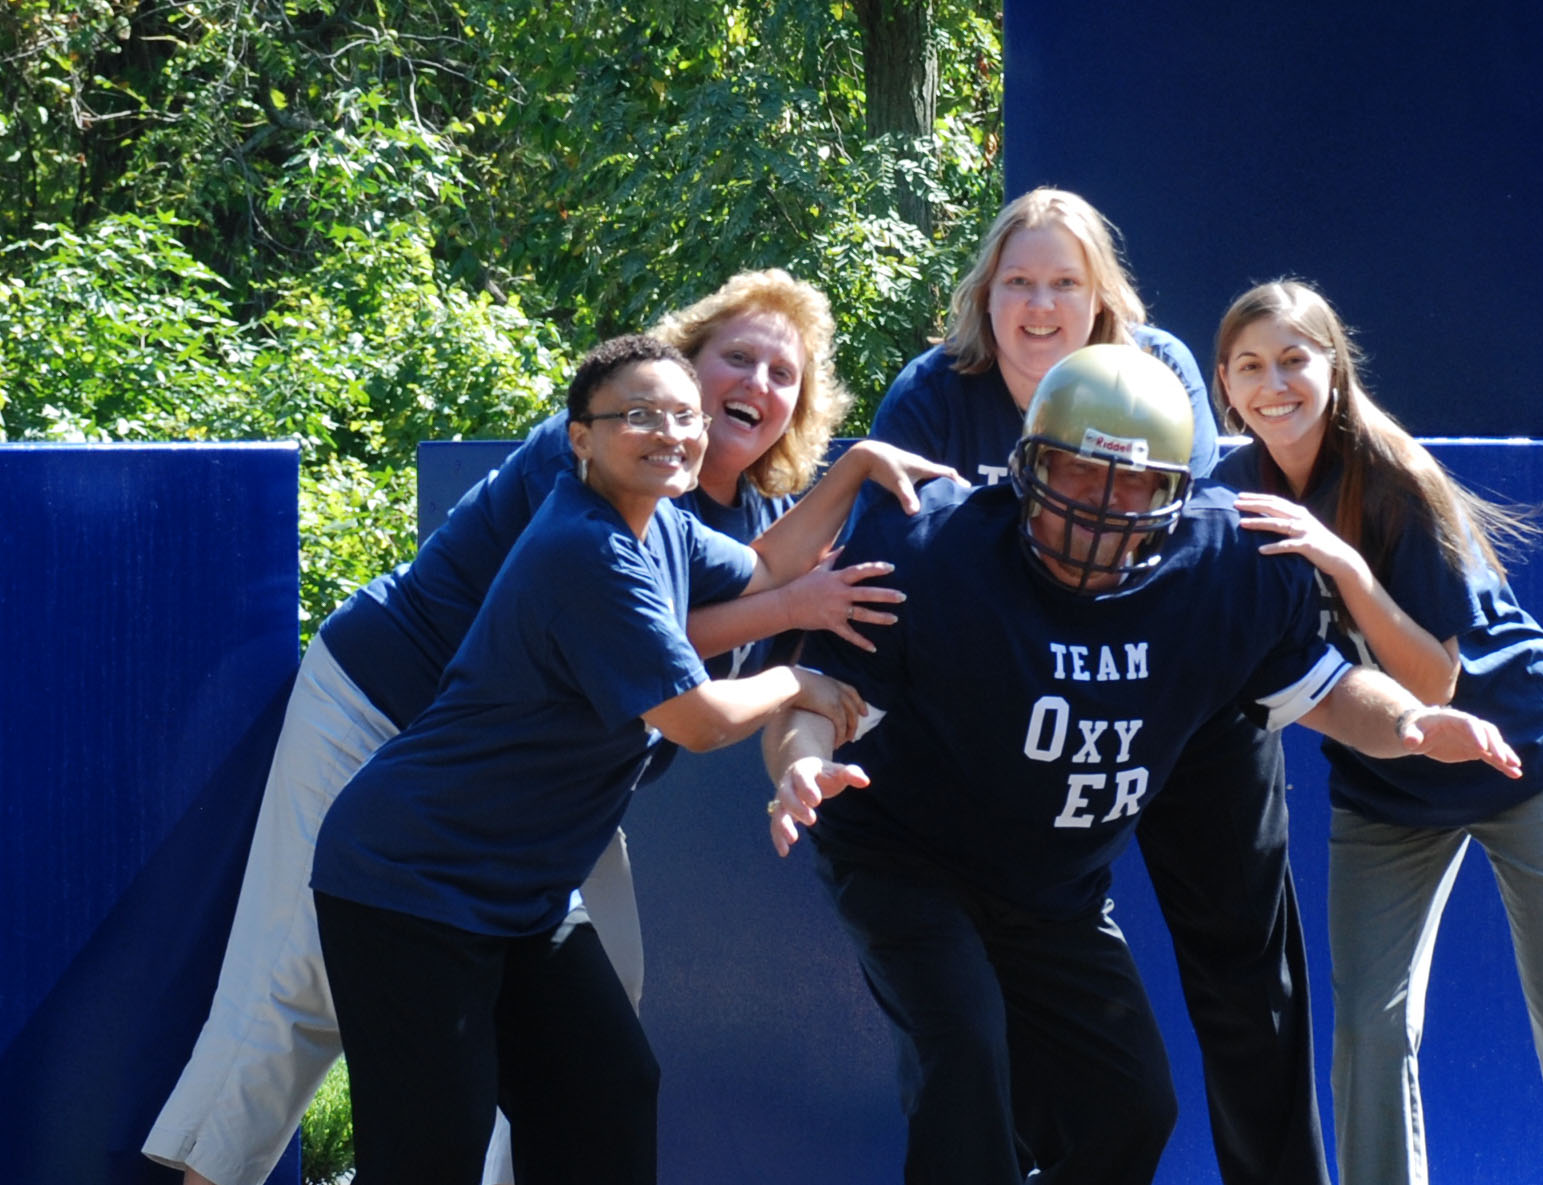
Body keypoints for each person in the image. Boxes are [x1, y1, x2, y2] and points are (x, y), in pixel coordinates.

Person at [144, 270, 950, 1185]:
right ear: (662, 377)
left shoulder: (716, 516)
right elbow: (663, 669)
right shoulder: (582, 479)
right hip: (388, 722)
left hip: (532, 798)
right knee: (294, 996)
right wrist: (794, 640)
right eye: (737, 357)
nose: (756, 385)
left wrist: (847, 478)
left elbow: (751, 577)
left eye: (783, 373)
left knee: (596, 1046)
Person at [765, 344, 1522, 1185]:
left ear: (1176, 492)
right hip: (908, 856)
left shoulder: (1226, 563)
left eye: (1132, 485)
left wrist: (1412, 721)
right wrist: (801, 763)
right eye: (1080, 476)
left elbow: (1332, 693)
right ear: (1027, 467)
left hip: (1053, 889)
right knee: (964, 1051)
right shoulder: (936, 545)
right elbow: (818, 697)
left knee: (1131, 1107)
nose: (1100, 508)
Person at [309, 334, 868, 1181]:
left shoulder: (666, 528)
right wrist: (798, 678)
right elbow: (698, 719)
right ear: (581, 439)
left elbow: (764, 566)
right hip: (412, 882)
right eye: (638, 416)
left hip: (523, 892)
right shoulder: (586, 549)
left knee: (605, 1089)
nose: (671, 433)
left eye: (684, 416)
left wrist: (858, 466)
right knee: (432, 1152)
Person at [866, 185, 1325, 1183]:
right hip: (1017, 704)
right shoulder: (934, 392)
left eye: (1064, 283)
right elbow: (896, 558)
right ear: (983, 298)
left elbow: (1185, 555)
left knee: (1245, 962)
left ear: (1101, 297)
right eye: (1017, 282)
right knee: (1004, 993)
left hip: (1168, 694)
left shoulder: (1152, 369)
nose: (1040, 306)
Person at [1210, 279, 1543, 1185]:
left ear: (1334, 368)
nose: (1275, 385)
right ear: (1224, 384)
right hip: (1388, 787)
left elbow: (1433, 679)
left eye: (1295, 359)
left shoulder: (1394, 477)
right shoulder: (1231, 493)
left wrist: (1341, 563)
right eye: (1251, 366)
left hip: (1528, 761)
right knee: (1371, 1026)